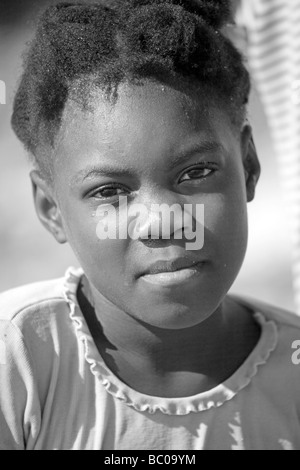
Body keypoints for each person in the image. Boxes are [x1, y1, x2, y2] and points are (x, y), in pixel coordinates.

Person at [0, 0, 299, 450]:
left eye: (195, 173)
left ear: (249, 165)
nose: (163, 224)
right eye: (108, 192)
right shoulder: (17, 360)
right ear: (51, 208)